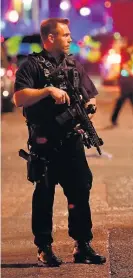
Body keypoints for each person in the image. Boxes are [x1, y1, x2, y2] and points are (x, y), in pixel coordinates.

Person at [13, 18, 106, 267]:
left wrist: (89, 107)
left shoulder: (74, 65)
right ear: (50, 38)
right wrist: (47, 91)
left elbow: (90, 96)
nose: (70, 39)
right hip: (44, 142)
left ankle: (82, 245)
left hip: (71, 141)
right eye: (65, 35)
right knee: (44, 194)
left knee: (80, 190)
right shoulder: (31, 66)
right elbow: (19, 98)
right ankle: (44, 247)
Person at [111, 41, 133, 126]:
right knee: (122, 99)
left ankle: (113, 119)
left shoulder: (130, 54)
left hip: (129, 80)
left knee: (125, 99)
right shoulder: (125, 54)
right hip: (125, 80)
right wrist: (131, 73)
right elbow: (125, 66)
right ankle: (113, 119)